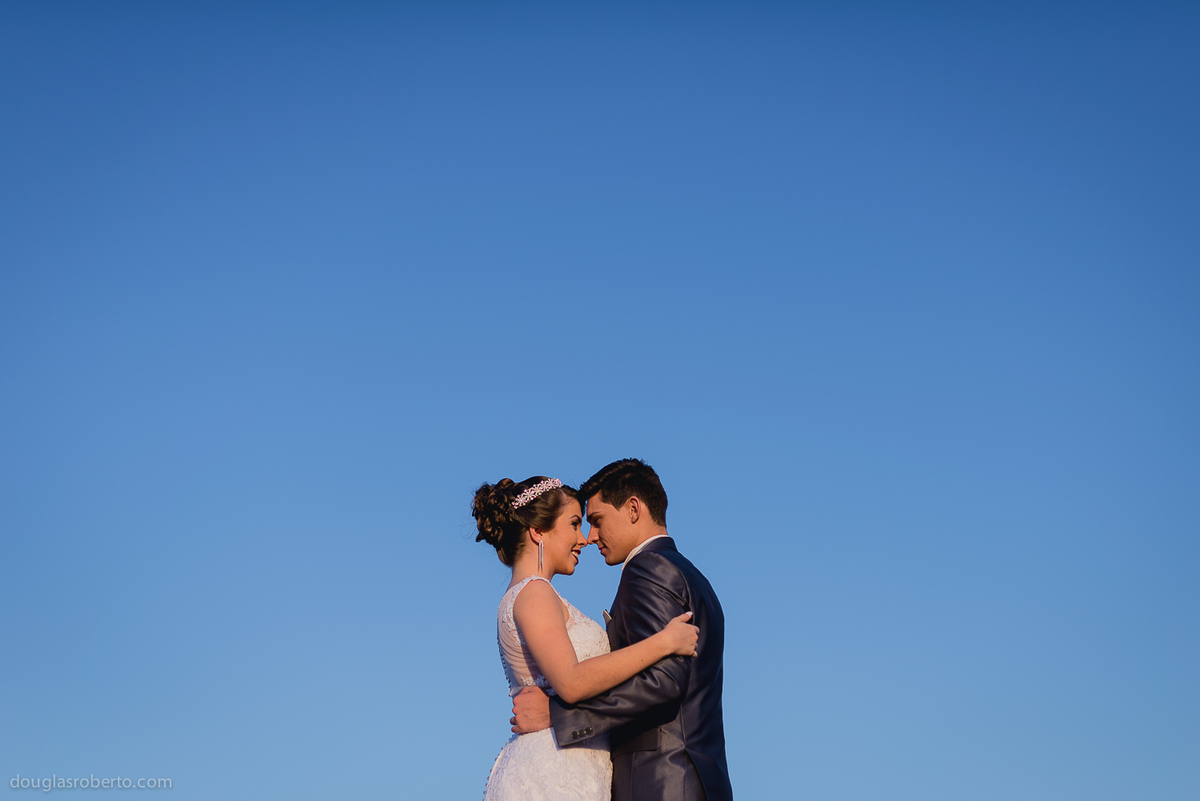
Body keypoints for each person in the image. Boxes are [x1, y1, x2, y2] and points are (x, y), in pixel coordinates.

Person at [511, 459, 734, 801]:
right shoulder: (695, 577)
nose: (591, 537)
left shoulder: (650, 568)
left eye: (597, 521)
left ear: (633, 509)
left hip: (661, 782)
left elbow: (665, 682)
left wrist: (558, 716)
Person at [474, 475, 700, 801]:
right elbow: (571, 681)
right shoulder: (535, 593)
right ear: (538, 532)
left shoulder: (529, 594)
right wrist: (663, 642)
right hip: (554, 772)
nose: (583, 539)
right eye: (574, 524)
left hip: (571, 764)